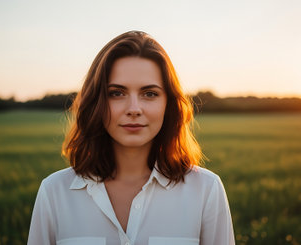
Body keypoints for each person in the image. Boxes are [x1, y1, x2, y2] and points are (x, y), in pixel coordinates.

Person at [27, 30, 235, 245]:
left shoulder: (206, 190)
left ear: (168, 104)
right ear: (96, 102)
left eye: (150, 93)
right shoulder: (54, 192)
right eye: (117, 93)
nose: (134, 109)